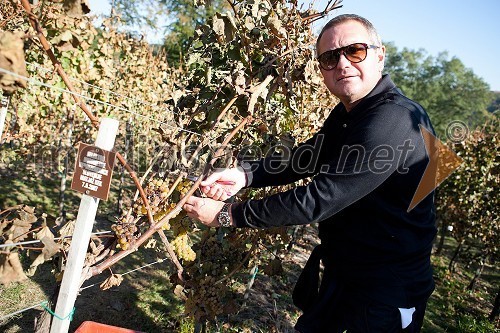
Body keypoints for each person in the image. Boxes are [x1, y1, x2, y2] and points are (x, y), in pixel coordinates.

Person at [183, 14, 437, 333]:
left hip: (384, 292)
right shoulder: (351, 112)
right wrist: (246, 175)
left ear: (380, 54)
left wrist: (227, 215)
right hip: (345, 274)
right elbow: (307, 157)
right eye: (330, 57)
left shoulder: (394, 120)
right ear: (321, 69)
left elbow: (319, 198)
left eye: (355, 51)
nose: (342, 63)